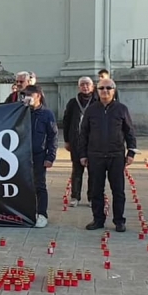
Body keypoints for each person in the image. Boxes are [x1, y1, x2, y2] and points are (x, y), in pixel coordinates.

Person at [78, 78, 138, 232]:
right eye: (101, 88)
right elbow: (83, 133)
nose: (105, 91)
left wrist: (131, 152)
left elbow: (130, 132)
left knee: (118, 190)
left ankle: (119, 220)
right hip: (95, 156)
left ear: (114, 90)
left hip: (116, 156)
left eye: (108, 88)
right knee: (96, 190)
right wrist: (83, 154)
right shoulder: (91, 110)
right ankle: (98, 220)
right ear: (97, 90)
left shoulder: (121, 109)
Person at [21, 85, 57, 228]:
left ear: (38, 96)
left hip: (39, 155)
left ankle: (42, 213)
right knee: (25, 184)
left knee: (39, 185)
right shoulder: (23, 112)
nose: (27, 98)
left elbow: (53, 136)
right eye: (25, 95)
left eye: (30, 95)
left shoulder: (47, 114)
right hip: (23, 155)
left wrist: (50, 156)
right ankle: (28, 211)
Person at [62, 76, 95, 207]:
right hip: (76, 141)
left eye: (87, 84)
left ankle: (92, 197)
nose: (85, 87)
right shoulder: (73, 102)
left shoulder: (97, 101)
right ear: (79, 87)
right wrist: (67, 140)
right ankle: (75, 197)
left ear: (92, 87)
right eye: (82, 85)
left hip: (93, 142)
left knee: (93, 171)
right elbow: (66, 121)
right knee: (77, 170)